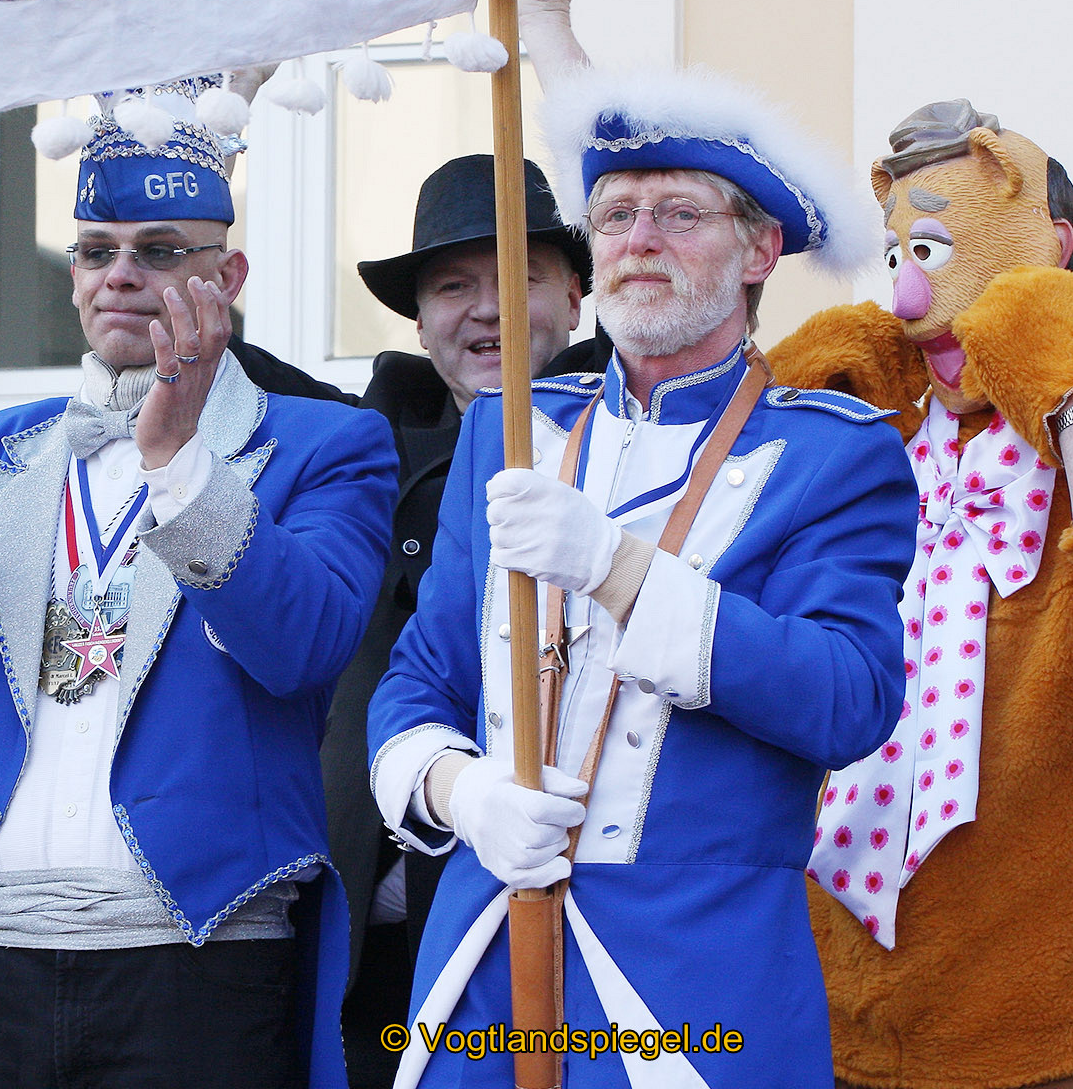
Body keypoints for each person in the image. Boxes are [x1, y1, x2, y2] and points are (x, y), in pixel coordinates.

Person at [0, 107, 397, 1088]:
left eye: (160, 249)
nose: (120, 273)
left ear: (231, 276)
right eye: (96, 249)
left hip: (202, 963)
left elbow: (302, 647)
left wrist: (181, 468)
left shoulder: (325, 443)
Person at [367, 67, 918, 1087]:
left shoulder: (837, 454)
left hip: (701, 986)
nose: (638, 240)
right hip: (484, 973)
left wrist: (616, 568)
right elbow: (418, 681)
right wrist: (460, 787)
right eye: (615, 214)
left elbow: (848, 697)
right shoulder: (508, 428)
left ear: (760, 250)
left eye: (678, 211)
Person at [771, 102, 1073, 1089]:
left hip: (1041, 1025)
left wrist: (1071, 397)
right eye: (898, 255)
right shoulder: (884, 436)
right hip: (831, 1009)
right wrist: (805, 396)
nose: (911, 294)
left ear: (1053, 250)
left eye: (939, 249)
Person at [322, 153, 601, 1086]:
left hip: (546, 918)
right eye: (453, 286)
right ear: (419, 316)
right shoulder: (357, 441)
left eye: (518, 277)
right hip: (363, 937)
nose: (486, 309)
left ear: (575, 293)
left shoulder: (640, 444)